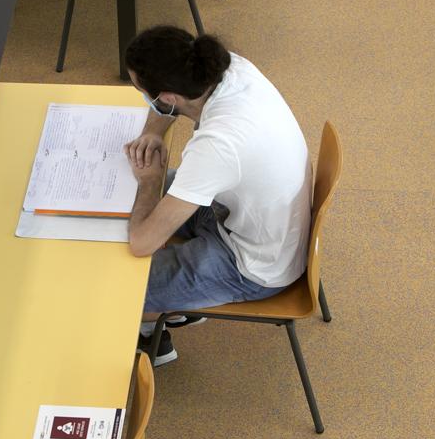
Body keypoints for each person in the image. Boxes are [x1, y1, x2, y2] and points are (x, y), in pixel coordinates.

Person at [123, 26, 312, 366]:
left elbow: (142, 242)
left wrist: (151, 181)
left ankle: (151, 336)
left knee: (122, 281)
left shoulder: (217, 144)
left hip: (254, 264)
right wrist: (153, 133)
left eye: (142, 90)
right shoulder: (226, 66)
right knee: (127, 195)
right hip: (243, 214)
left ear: (167, 96)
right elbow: (167, 103)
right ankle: (178, 305)